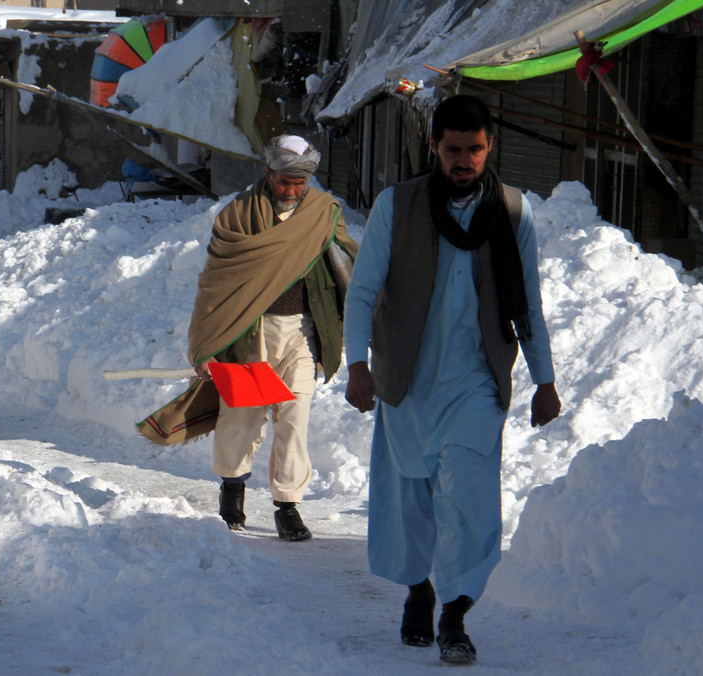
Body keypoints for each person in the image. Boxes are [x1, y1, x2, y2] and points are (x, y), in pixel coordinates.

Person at [342, 95, 560, 665]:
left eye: (475, 150)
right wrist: (358, 365)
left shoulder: (513, 211)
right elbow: (363, 290)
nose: (464, 161)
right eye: (453, 150)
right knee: (411, 494)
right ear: (435, 147)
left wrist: (544, 379)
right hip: (408, 376)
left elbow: (528, 300)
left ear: (490, 148)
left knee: (467, 493)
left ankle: (456, 611)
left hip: (478, 381)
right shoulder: (399, 205)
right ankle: (419, 587)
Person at [167, 134, 357, 541]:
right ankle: (232, 491)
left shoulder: (324, 213)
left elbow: (347, 267)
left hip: (302, 333)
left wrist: (359, 321)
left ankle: (287, 506)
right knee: (241, 418)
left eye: (300, 183)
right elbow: (216, 285)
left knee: (294, 419)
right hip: (249, 332)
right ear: (269, 173)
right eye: (286, 181)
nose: (292, 190)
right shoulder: (237, 215)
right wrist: (205, 344)